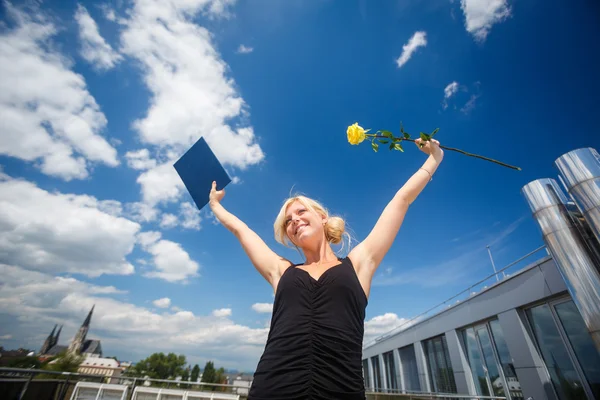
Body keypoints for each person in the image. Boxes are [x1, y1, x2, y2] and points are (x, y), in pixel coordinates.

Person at [209, 138, 443, 399]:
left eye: (300, 212)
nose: (295, 220)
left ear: (321, 217)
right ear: (288, 234)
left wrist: (433, 159)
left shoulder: (359, 263)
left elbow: (401, 200)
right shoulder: (281, 270)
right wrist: (216, 205)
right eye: (288, 221)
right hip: (273, 390)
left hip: (341, 390)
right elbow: (242, 231)